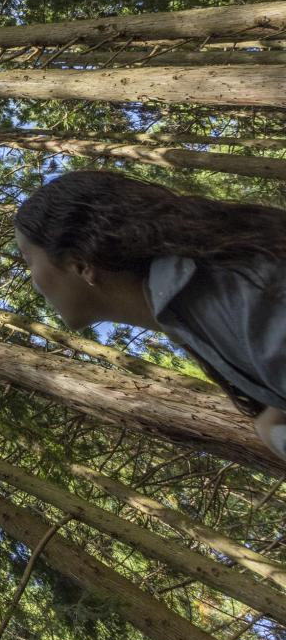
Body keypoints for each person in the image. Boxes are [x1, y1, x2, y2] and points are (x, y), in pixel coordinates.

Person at [14, 169, 286, 460]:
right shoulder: (200, 306)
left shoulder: (231, 292)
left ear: (80, 265)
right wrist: (271, 422)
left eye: (29, 261)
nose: (33, 281)